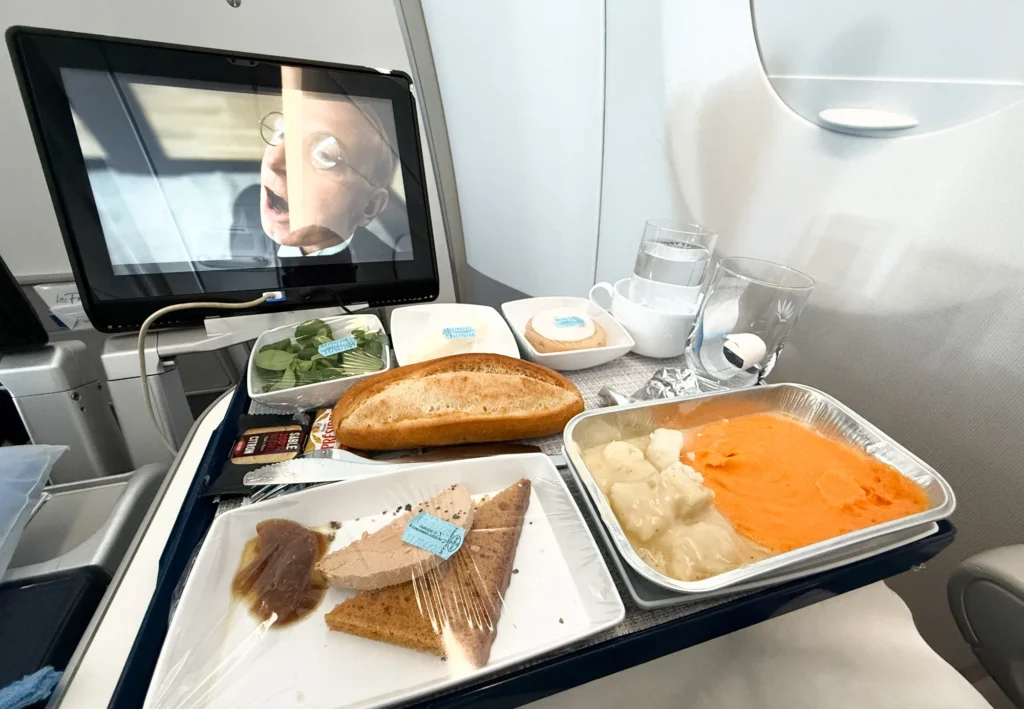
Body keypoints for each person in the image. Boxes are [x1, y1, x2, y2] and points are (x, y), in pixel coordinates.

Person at [257, 93, 398, 262]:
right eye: (282, 134)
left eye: (324, 154)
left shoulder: (388, 268)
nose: (273, 162)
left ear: (370, 206)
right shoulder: (244, 212)